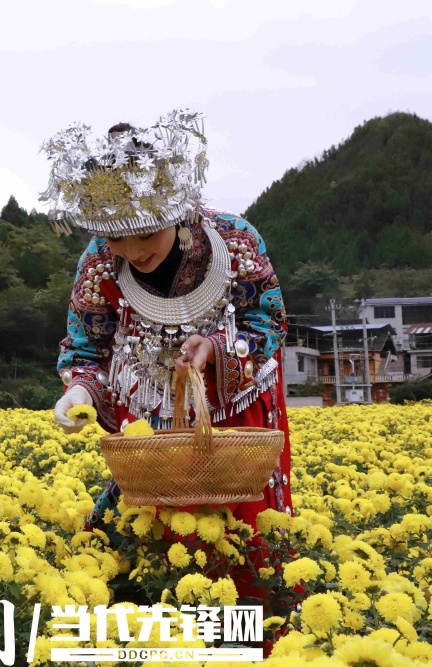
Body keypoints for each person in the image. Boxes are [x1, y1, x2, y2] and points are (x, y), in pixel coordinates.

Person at [44, 112, 293, 603]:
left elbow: (269, 321)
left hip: (233, 419)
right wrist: (80, 389)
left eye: (145, 234)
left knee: (244, 548)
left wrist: (216, 349)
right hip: (149, 422)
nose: (132, 251)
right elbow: (85, 347)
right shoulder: (98, 262)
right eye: (116, 237)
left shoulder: (234, 239)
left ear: (175, 214)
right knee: (148, 550)